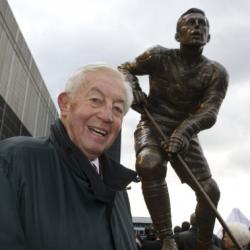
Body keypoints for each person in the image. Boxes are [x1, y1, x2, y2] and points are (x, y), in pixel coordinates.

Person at [119, 8, 228, 250]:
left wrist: (183, 133)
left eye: (202, 24)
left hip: (185, 130)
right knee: (149, 163)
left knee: (210, 190)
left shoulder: (215, 72)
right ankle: (167, 238)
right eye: (190, 23)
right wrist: (132, 89)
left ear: (208, 37)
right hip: (153, 123)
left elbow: (209, 112)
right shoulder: (157, 56)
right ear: (178, 35)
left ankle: (203, 243)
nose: (197, 27)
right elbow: (124, 68)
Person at [0, 63, 138, 250]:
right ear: (65, 104)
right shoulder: (13, 161)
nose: (107, 116)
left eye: (118, 109)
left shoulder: (119, 191)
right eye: (96, 100)